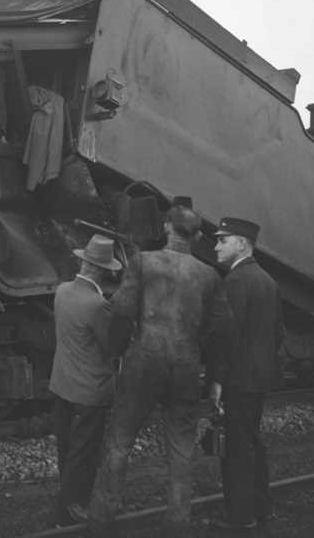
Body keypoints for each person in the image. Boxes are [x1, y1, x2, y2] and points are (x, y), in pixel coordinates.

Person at [88, 200, 231, 537]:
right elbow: (222, 330)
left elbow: (122, 312)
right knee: (181, 446)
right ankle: (178, 522)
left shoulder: (143, 263)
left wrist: (115, 352)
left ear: (167, 227)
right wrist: (210, 372)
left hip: (144, 360)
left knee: (119, 440)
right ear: (197, 237)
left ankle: (101, 520)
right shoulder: (209, 275)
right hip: (185, 365)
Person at [209, 217, 284, 531]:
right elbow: (278, 334)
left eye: (222, 240)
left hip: (238, 378)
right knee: (252, 442)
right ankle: (261, 507)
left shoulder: (236, 281)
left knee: (237, 448)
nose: (216, 246)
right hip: (258, 377)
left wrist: (215, 381)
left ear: (241, 242)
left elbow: (227, 336)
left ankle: (241, 517)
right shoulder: (267, 279)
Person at [50, 234, 122, 526]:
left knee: (67, 450)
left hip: (61, 384)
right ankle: (67, 511)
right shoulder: (97, 304)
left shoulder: (62, 291)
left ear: (83, 261)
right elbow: (113, 347)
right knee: (83, 454)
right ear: (105, 270)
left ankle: (69, 502)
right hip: (89, 392)